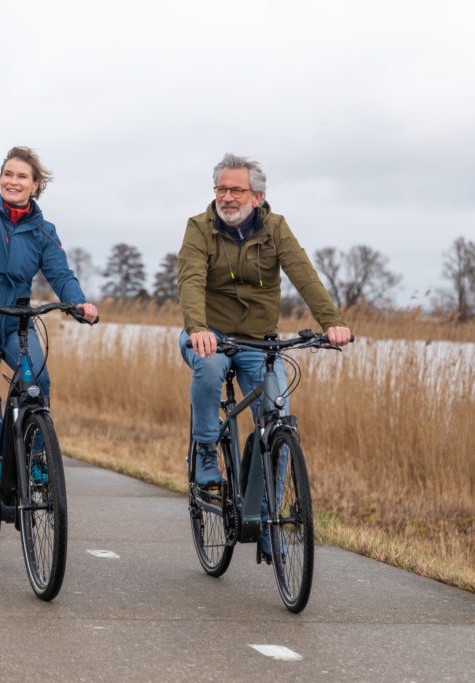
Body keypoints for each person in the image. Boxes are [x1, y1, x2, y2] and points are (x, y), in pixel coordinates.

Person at [177, 153, 351, 561]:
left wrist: (332, 322)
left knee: (279, 420)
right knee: (208, 368)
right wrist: (198, 328)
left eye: (236, 190)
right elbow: (190, 278)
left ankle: (268, 516)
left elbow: (303, 274)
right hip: (211, 335)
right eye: (221, 189)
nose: (227, 197)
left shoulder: (275, 230)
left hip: (259, 340)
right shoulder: (199, 228)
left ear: (257, 196)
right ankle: (205, 450)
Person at [0, 147, 98, 534]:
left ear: (35, 185)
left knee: (38, 383)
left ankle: (36, 452)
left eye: (21, 176)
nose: (13, 181)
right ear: (0, 179)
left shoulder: (43, 231)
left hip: (14, 327)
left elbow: (60, 273)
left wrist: (77, 302)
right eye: (7, 174)